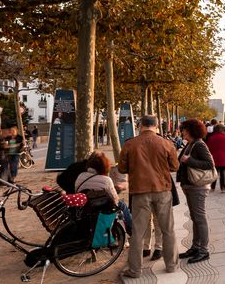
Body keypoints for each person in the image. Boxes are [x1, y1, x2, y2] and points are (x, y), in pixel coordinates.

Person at [118, 115, 180, 279]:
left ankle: (135, 270)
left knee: (138, 232)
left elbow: (122, 169)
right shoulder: (166, 143)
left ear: (140, 125)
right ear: (157, 126)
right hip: (162, 190)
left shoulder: (130, 144)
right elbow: (175, 167)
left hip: (140, 191)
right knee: (168, 229)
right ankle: (171, 265)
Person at [176, 118, 214, 264]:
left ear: (191, 130)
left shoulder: (199, 145)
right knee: (195, 218)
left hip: (198, 187)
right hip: (191, 186)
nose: (182, 131)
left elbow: (209, 164)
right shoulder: (191, 144)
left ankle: (204, 250)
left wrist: (189, 161)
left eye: (184, 129)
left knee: (200, 218)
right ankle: (196, 246)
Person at [75, 151, 132, 231]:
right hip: (101, 209)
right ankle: (131, 230)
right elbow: (115, 200)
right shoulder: (106, 180)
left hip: (85, 208)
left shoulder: (81, 176)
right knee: (122, 205)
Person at [205, 124, 225, 193]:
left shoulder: (211, 138)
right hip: (224, 158)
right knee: (223, 173)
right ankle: (223, 188)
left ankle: (213, 187)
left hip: (214, 157)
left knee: (215, 173)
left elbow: (208, 148)